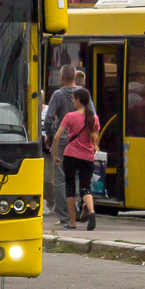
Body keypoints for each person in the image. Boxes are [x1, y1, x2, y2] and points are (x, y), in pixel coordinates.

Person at [51, 87, 101, 230]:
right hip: (88, 157)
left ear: (79, 100)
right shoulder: (94, 118)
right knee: (85, 187)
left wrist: (55, 156)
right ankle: (91, 211)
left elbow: (56, 137)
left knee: (70, 187)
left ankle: (72, 222)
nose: (73, 102)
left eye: (73, 99)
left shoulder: (70, 116)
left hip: (71, 155)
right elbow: (95, 138)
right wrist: (92, 149)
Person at [41, 66, 79, 216]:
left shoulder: (57, 95)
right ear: (75, 76)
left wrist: (49, 138)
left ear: (62, 77)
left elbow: (49, 118)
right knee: (76, 175)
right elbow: (92, 115)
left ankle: (64, 215)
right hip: (80, 140)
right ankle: (77, 209)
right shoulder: (84, 94)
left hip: (62, 140)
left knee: (60, 177)